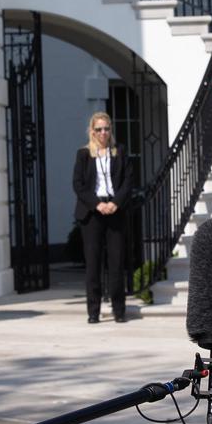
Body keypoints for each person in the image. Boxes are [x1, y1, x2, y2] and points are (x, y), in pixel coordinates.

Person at [73, 111, 132, 324]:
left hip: (115, 210)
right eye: (99, 129)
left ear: (111, 130)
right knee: (93, 264)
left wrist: (115, 203)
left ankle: (119, 310)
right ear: (92, 131)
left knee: (116, 263)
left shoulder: (120, 152)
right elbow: (78, 184)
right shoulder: (83, 154)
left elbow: (127, 181)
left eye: (106, 128)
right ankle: (93, 311)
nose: (103, 133)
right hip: (92, 213)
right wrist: (97, 204)